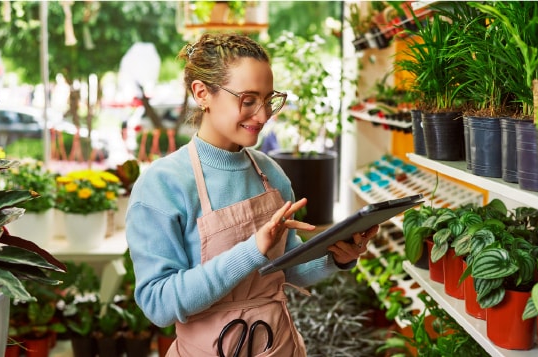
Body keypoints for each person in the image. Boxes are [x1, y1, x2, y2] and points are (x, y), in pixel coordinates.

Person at [125, 34, 378, 357]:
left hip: (280, 346)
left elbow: (287, 269)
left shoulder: (270, 174)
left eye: (268, 100)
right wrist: (251, 250)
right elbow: (158, 304)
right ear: (202, 94)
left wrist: (337, 257)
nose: (262, 116)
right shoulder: (162, 185)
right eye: (247, 100)